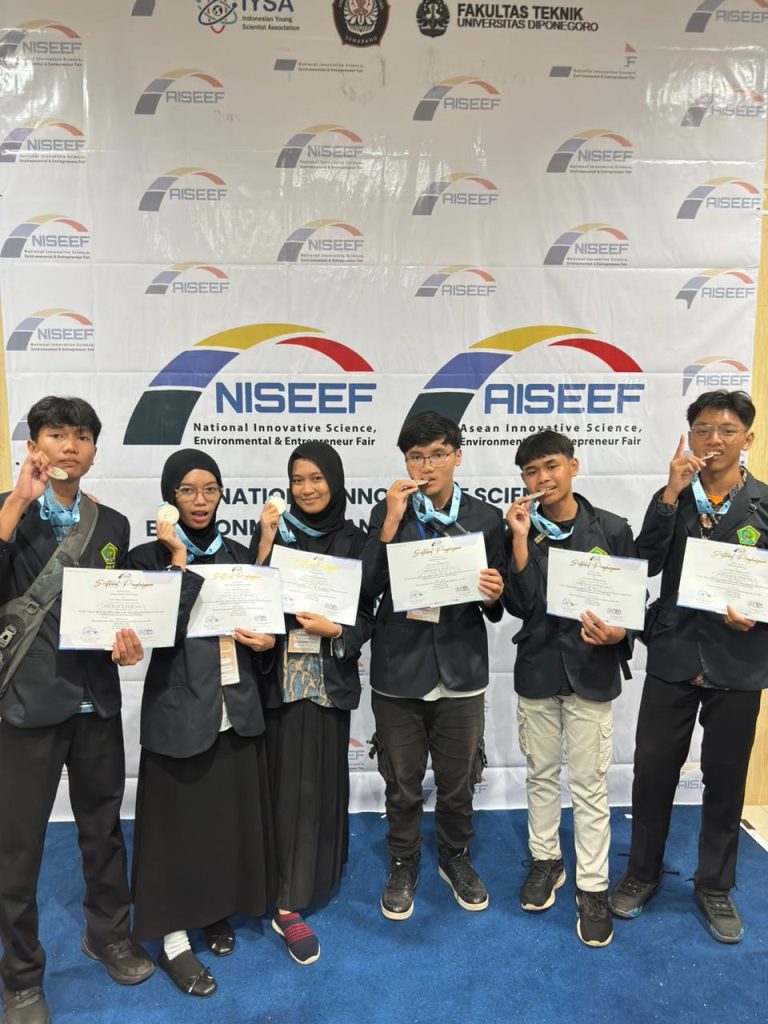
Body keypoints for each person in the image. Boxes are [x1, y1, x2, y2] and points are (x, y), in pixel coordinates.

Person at [0, 396, 153, 1024]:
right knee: (17, 850)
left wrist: (129, 642)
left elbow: (118, 607)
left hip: (97, 704)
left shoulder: (112, 523)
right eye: (56, 434)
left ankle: (108, 935)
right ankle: (20, 979)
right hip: (27, 706)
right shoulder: (10, 514)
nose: (69, 446)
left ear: (94, 449)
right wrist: (16, 503)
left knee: (102, 829)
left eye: (82, 436)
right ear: (34, 444)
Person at [609, 390, 768, 943]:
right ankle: (641, 874)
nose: (713, 440)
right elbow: (645, 562)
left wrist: (758, 616)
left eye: (726, 430)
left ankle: (715, 885)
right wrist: (670, 493)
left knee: (725, 779)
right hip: (674, 654)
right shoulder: (674, 497)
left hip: (739, 662)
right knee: (653, 773)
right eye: (702, 429)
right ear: (690, 436)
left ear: (748, 438)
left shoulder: (764, 504)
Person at [127, 449, 276, 997]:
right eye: (187, 490)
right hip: (180, 712)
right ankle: (172, 940)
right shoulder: (146, 559)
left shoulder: (236, 554)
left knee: (220, 824)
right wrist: (178, 561)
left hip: (233, 710)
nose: (199, 500)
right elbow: (156, 630)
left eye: (209, 489)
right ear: (169, 497)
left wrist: (266, 640)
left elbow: (263, 627)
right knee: (173, 832)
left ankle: (213, 909)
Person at [363, 411, 505, 920]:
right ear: (405, 461)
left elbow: (498, 606)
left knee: (458, 780)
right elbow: (365, 590)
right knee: (401, 782)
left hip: (461, 668)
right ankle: (403, 860)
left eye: (437, 454)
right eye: (416, 456)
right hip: (400, 669)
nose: (427, 466)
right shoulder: (389, 513)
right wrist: (389, 525)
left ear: (457, 456)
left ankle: (455, 856)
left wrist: (493, 594)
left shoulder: (485, 518)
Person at [504, 430, 636, 948]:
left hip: (591, 671)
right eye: (531, 472)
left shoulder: (613, 528)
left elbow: (630, 606)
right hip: (538, 668)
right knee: (540, 775)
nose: (542, 479)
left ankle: (593, 886)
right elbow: (520, 605)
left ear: (573, 467)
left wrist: (621, 634)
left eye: (551, 466)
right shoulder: (520, 528)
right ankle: (546, 861)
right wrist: (518, 540)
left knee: (589, 785)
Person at [250, 441, 374, 965]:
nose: (307, 489)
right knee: (279, 789)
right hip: (278, 683)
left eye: (317, 478)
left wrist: (337, 630)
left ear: (336, 481)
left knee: (319, 786)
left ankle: (312, 878)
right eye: (298, 479)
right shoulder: (274, 535)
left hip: (327, 683)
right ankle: (285, 899)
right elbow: (249, 597)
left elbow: (368, 614)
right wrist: (265, 542)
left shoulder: (355, 540)